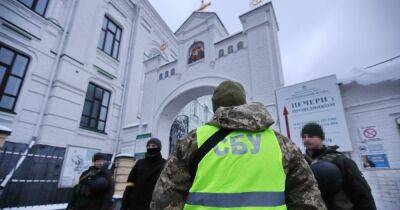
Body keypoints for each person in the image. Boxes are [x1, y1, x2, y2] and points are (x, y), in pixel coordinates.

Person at [151, 81, 326, 209]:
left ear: (215, 108)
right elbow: (307, 197)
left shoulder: (193, 141)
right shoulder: (280, 143)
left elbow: (166, 196)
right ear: (243, 103)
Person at [301, 122, 376, 210]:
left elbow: (362, 193)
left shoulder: (340, 160)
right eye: (303, 137)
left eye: (311, 136)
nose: (306, 140)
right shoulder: (302, 162)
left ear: (321, 138)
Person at [121, 138, 166, 210]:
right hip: (135, 204)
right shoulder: (139, 163)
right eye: (148, 146)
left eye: (153, 146)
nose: (150, 148)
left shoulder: (165, 164)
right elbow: (130, 185)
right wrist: (124, 205)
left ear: (159, 148)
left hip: (153, 205)